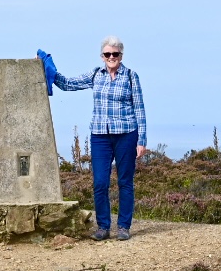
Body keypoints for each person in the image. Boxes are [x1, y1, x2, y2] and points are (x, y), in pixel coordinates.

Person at [42, 37, 146, 241]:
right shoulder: (96, 74)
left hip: (126, 134)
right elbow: (68, 84)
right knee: (100, 182)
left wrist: (141, 140)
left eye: (115, 54)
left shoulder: (131, 76)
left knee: (125, 182)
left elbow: (139, 109)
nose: (111, 57)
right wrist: (46, 66)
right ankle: (103, 227)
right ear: (102, 56)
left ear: (121, 55)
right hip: (100, 136)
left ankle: (123, 227)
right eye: (107, 54)